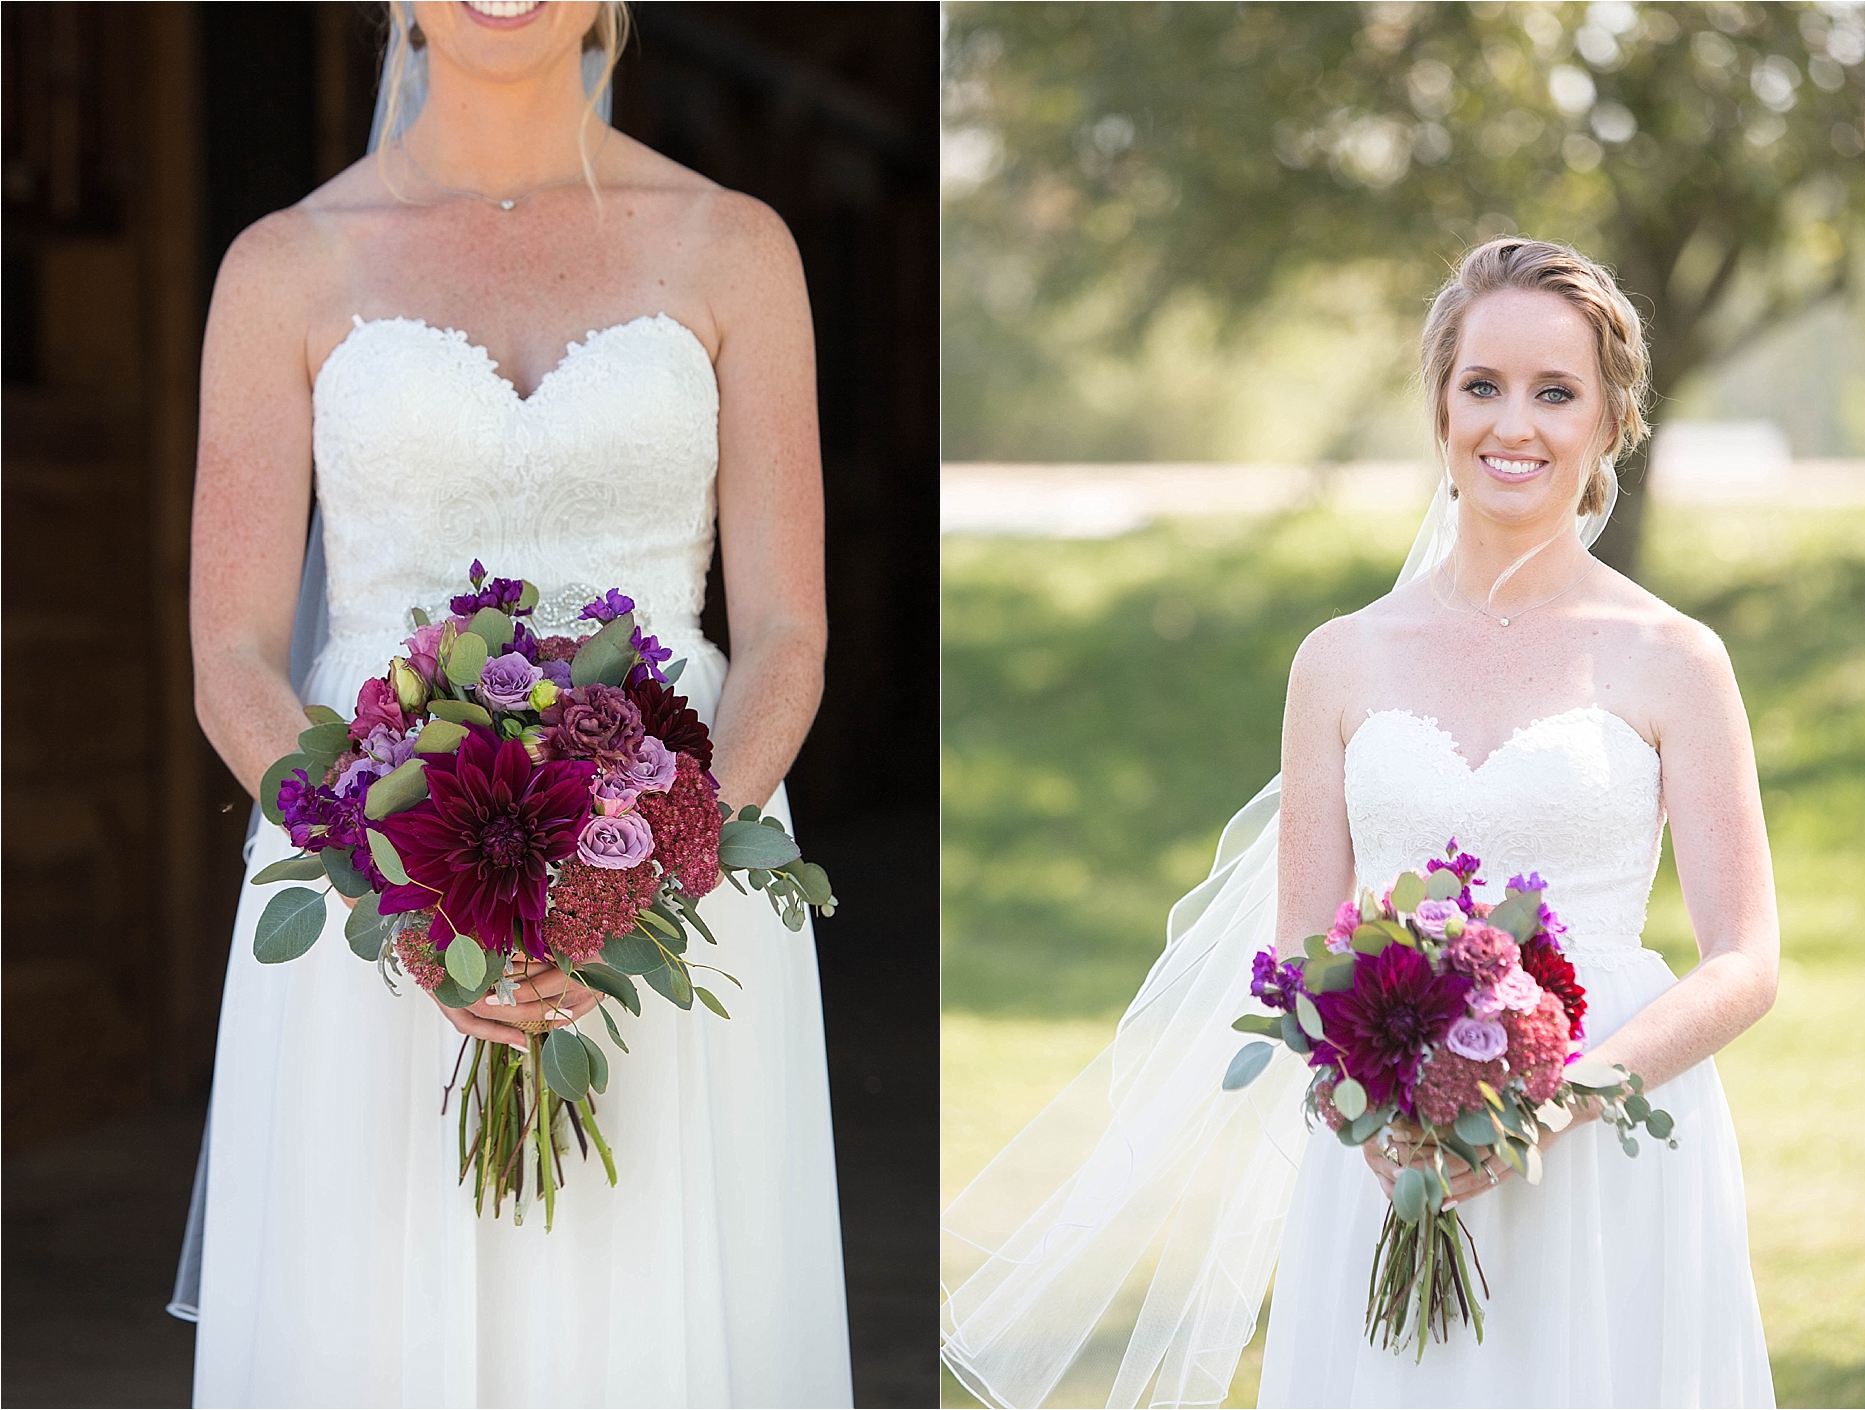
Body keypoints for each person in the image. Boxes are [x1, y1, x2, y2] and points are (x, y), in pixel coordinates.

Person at [940, 239, 1776, 1409]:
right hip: (1386, 1149)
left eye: (1554, 392)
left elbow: (1743, 958)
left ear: (1610, 419)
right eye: (1481, 385)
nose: (1511, 425)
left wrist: (1559, 1099)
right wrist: (1364, 1101)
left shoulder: (1674, 660)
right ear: (1438, 401)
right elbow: (1293, 956)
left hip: (1610, 1149)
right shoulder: (1338, 660)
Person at [183, 4, 851, 1404]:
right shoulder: (281, 267)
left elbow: (786, 629)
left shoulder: (736, 246)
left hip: (686, 874)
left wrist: (662, 858)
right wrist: (393, 885)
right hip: (375, 893)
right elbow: (234, 653)